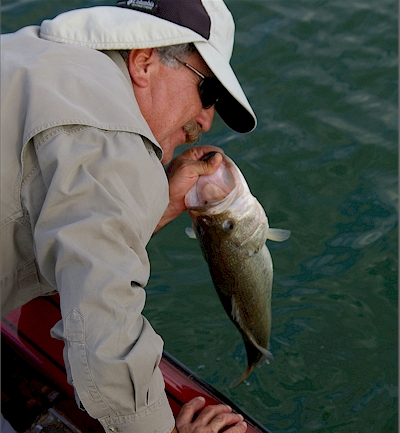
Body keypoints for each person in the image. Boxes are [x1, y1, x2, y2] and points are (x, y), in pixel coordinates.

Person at [0, 0, 257, 432]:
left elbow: (66, 231)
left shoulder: (28, 55)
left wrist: (156, 205)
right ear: (143, 62)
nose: (206, 120)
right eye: (207, 92)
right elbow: (105, 341)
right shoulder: (114, 138)